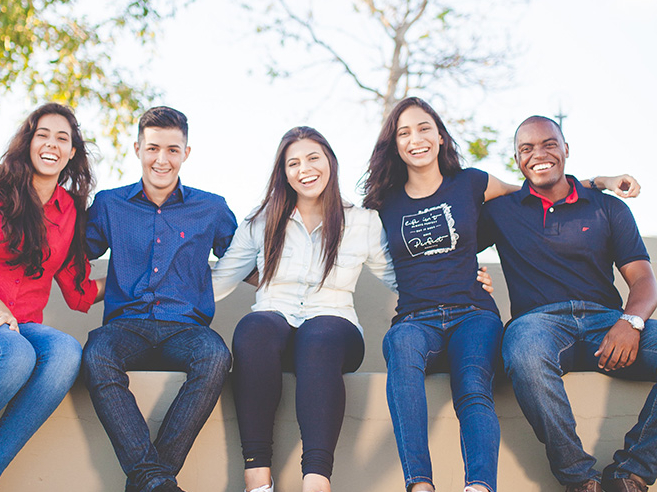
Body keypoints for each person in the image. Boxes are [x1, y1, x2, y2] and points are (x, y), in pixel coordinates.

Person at [361, 97, 636, 492]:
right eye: (404, 132)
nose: (415, 139)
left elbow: (540, 188)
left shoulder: (472, 182)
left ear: (440, 136)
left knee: (473, 386)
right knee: (400, 354)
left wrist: (600, 182)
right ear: (395, 143)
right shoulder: (383, 202)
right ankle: (419, 484)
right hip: (414, 318)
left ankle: (479, 486)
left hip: (473, 312)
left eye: (424, 128)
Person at [211, 126, 405, 492]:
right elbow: (218, 283)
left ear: (330, 160)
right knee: (253, 327)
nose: (305, 169)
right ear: (283, 173)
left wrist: (459, 279)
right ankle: (257, 479)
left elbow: (402, 279)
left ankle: (316, 482)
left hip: (335, 333)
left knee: (320, 333)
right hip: (274, 335)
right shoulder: (261, 219)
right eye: (293, 163)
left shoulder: (362, 222)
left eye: (313, 158)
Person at [478, 115, 657, 492]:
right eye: (526, 149)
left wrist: (632, 322)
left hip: (607, 325)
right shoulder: (502, 210)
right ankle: (579, 479)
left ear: (566, 150)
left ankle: (633, 473)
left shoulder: (607, 207)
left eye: (548, 144)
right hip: (538, 325)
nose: (538, 154)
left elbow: (643, 279)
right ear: (516, 159)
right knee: (523, 352)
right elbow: (449, 222)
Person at [0, 103, 104, 492]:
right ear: (28, 141)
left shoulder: (68, 211)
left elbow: (78, 291)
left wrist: (142, 278)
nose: (51, 144)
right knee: (14, 354)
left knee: (64, 352)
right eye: (42, 134)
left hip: (19, 325)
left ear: (73, 152)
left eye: (62, 138)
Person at [81, 106, 237, 492]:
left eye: (172, 149)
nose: (161, 159)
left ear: (186, 152)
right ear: (137, 148)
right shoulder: (109, 204)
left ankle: (150, 481)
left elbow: (246, 259)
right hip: (125, 327)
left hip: (186, 329)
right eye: (153, 148)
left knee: (216, 356)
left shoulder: (212, 207)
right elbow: (70, 254)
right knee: (96, 353)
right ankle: (158, 481)